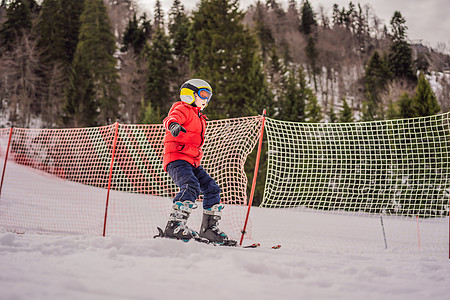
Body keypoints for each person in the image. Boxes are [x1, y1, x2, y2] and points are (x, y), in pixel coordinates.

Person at [161, 78, 235, 245]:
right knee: (190, 185)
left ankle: (209, 229)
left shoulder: (200, 117)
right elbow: (170, 118)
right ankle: (174, 225)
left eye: (209, 96)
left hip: (192, 162)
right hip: (177, 158)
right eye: (203, 94)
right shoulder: (182, 108)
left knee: (212, 188)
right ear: (190, 94)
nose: (206, 99)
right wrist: (173, 125)